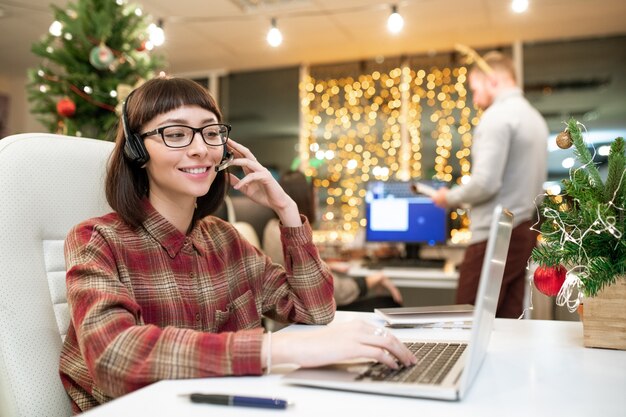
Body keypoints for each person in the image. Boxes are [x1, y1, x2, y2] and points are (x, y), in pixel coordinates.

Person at [59, 77, 416, 413]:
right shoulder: (97, 240)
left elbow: (315, 311)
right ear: (138, 150)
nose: (201, 149)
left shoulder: (225, 239)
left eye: (211, 133)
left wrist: (287, 211)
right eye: (177, 134)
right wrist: (275, 348)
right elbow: (113, 357)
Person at [431, 51, 548, 318]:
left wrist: (447, 197)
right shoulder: (535, 119)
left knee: (467, 320)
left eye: (475, 89)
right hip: (522, 231)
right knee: (507, 320)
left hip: (495, 235)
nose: (475, 99)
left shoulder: (497, 117)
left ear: (492, 80)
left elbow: (486, 183)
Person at [262, 170, 403, 311]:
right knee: (390, 303)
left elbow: (299, 271)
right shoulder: (285, 234)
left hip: (312, 308)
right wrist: (371, 280)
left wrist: (325, 264)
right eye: (314, 195)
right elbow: (327, 291)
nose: (317, 201)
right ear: (303, 198)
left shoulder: (275, 228)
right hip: (315, 312)